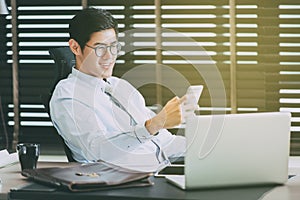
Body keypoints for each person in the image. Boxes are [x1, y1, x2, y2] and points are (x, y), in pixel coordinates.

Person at [50, 8, 195, 172]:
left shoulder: (121, 86)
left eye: (113, 46)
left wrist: (204, 147)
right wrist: (154, 125)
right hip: (122, 183)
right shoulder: (67, 95)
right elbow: (97, 150)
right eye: (100, 48)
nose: (109, 56)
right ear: (75, 47)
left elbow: (163, 141)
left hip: (163, 171)